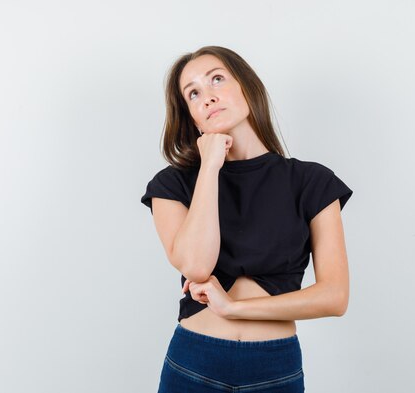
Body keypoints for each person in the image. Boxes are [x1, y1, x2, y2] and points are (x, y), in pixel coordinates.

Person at [140, 45, 353, 393]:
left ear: (246, 87)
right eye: (193, 93)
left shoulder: (311, 181)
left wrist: (234, 307)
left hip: (274, 366)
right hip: (194, 362)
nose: (207, 97)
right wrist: (210, 164)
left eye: (217, 80)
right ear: (191, 115)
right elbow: (196, 265)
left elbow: (334, 296)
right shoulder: (173, 183)